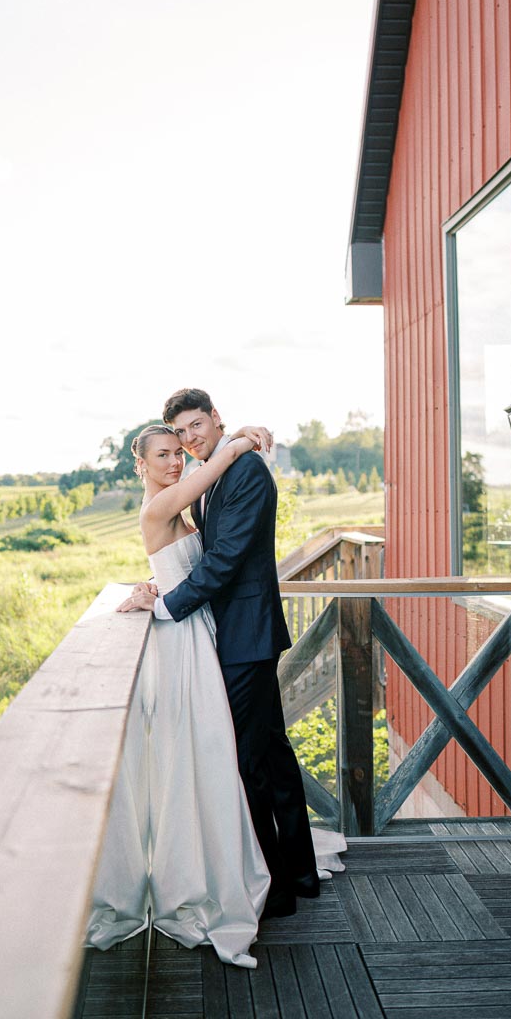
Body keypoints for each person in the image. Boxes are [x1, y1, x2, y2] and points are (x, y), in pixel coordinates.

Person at [121, 388, 320, 918]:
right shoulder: (208, 477)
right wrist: (158, 586)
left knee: (252, 761)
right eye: (179, 435)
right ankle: (297, 870)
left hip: (242, 635)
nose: (188, 440)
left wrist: (167, 606)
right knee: (269, 755)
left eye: (195, 427)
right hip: (228, 632)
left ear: (215, 419)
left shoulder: (244, 471)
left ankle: (277, 884)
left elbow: (226, 558)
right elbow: (194, 554)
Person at [87, 422, 272, 967]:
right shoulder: (158, 506)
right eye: (163, 455)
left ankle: (208, 865)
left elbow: (179, 564)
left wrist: (155, 589)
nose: (175, 461)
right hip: (182, 639)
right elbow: (211, 468)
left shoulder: (170, 501)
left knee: (211, 749)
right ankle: (191, 879)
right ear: (139, 465)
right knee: (203, 749)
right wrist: (238, 442)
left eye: (177, 452)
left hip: (197, 630)